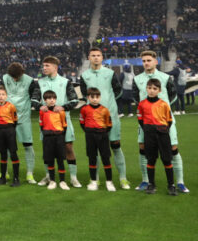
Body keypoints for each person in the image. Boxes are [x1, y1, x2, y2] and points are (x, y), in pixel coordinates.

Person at [133, 51, 187, 193]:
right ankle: (146, 181)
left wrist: (161, 111)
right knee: (143, 149)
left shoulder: (165, 77)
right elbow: (135, 97)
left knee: (173, 149)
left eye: (149, 60)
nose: (146, 63)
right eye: (144, 60)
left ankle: (180, 182)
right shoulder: (137, 79)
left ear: (155, 61)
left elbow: (173, 95)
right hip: (146, 123)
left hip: (164, 122)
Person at [80, 47, 130, 189]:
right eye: (93, 55)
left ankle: (123, 178)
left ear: (102, 58)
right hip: (92, 119)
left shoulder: (110, 73)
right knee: (93, 151)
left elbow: (118, 90)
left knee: (115, 146)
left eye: (98, 55)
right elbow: (84, 94)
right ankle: (94, 179)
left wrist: (108, 103)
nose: (96, 58)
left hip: (111, 116)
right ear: (89, 58)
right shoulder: (84, 76)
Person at [32, 56, 81, 188]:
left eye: (47, 65)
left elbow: (75, 100)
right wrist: (39, 107)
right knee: (47, 150)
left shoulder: (65, 82)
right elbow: (34, 100)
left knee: (69, 148)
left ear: (55, 67)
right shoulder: (39, 82)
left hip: (63, 121)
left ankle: (73, 177)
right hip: (47, 122)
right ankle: (49, 176)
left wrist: (63, 107)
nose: (44, 68)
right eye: (44, 65)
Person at [137, 78, 177, 195]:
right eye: (149, 88)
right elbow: (140, 120)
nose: (152, 91)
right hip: (149, 135)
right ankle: (151, 184)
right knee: (151, 159)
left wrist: (161, 130)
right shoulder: (142, 104)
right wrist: (149, 130)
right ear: (146, 89)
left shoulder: (164, 104)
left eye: (155, 89)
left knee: (167, 159)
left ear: (159, 90)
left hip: (163, 135)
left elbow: (169, 121)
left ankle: (171, 185)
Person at [3, 61, 40, 184]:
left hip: (23, 117)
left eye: (17, 77)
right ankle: (4, 173)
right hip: (7, 118)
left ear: (22, 74)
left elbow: (34, 97)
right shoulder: (5, 78)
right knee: (6, 147)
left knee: (28, 145)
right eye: (12, 77)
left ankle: (30, 174)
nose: (14, 79)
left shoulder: (30, 81)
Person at [80, 87, 116, 191]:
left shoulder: (104, 110)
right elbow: (82, 123)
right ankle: (93, 182)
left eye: (97, 97)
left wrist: (101, 132)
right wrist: (89, 131)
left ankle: (109, 182)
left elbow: (109, 124)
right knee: (92, 158)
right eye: (92, 97)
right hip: (90, 136)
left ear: (100, 97)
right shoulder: (84, 109)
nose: (95, 99)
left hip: (102, 135)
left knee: (106, 158)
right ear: (88, 97)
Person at [0, 86, 20, 187]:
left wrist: (10, 129)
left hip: (9, 131)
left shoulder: (11, 106)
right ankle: (3, 177)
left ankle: (16, 178)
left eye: (3, 94)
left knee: (13, 153)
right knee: (3, 154)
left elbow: (15, 120)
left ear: (6, 96)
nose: (1, 97)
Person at [40, 91, 69, 190]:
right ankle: (52, 181)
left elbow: (64, 125)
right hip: (48, 138)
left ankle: (62, 181)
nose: (51, 100)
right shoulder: (43, 111)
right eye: (49, 98)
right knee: (50, 160)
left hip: (59, 138)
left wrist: (60, 137)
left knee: (60, 160)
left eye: (53, 98)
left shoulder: (60, 111)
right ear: (45, 100)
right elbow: (41, 125)